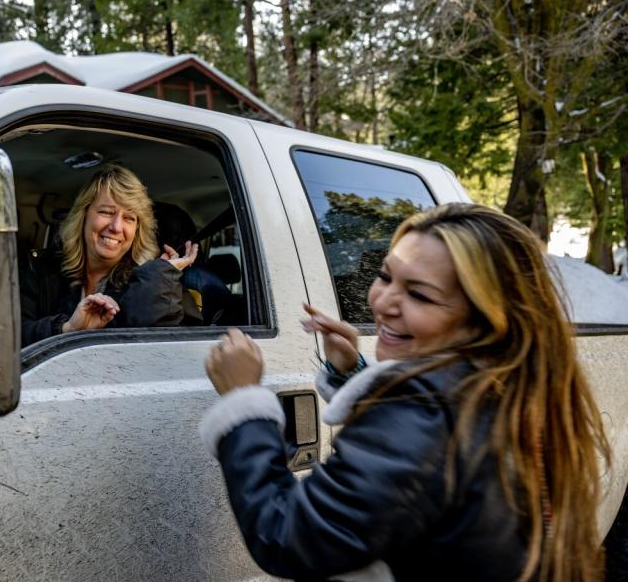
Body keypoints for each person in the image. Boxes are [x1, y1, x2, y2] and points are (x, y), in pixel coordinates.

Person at [198, 203, 611, 581]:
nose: (382, 302)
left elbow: (287, 536)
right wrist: (350, 371)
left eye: (419, 294)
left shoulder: (426, 413)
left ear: (487, 320)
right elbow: (412, 473)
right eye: (385, 275)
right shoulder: (501, 388)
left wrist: (243, 405)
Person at [21, 164, 198, 345]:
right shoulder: (44, 270)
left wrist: (158, 279)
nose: (116, 227)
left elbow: (172, 353)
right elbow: (13, 335)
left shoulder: (155, 282)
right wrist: (66, 328)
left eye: (129, 218)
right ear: (83, 216)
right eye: (106, 212)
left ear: (137, 230)